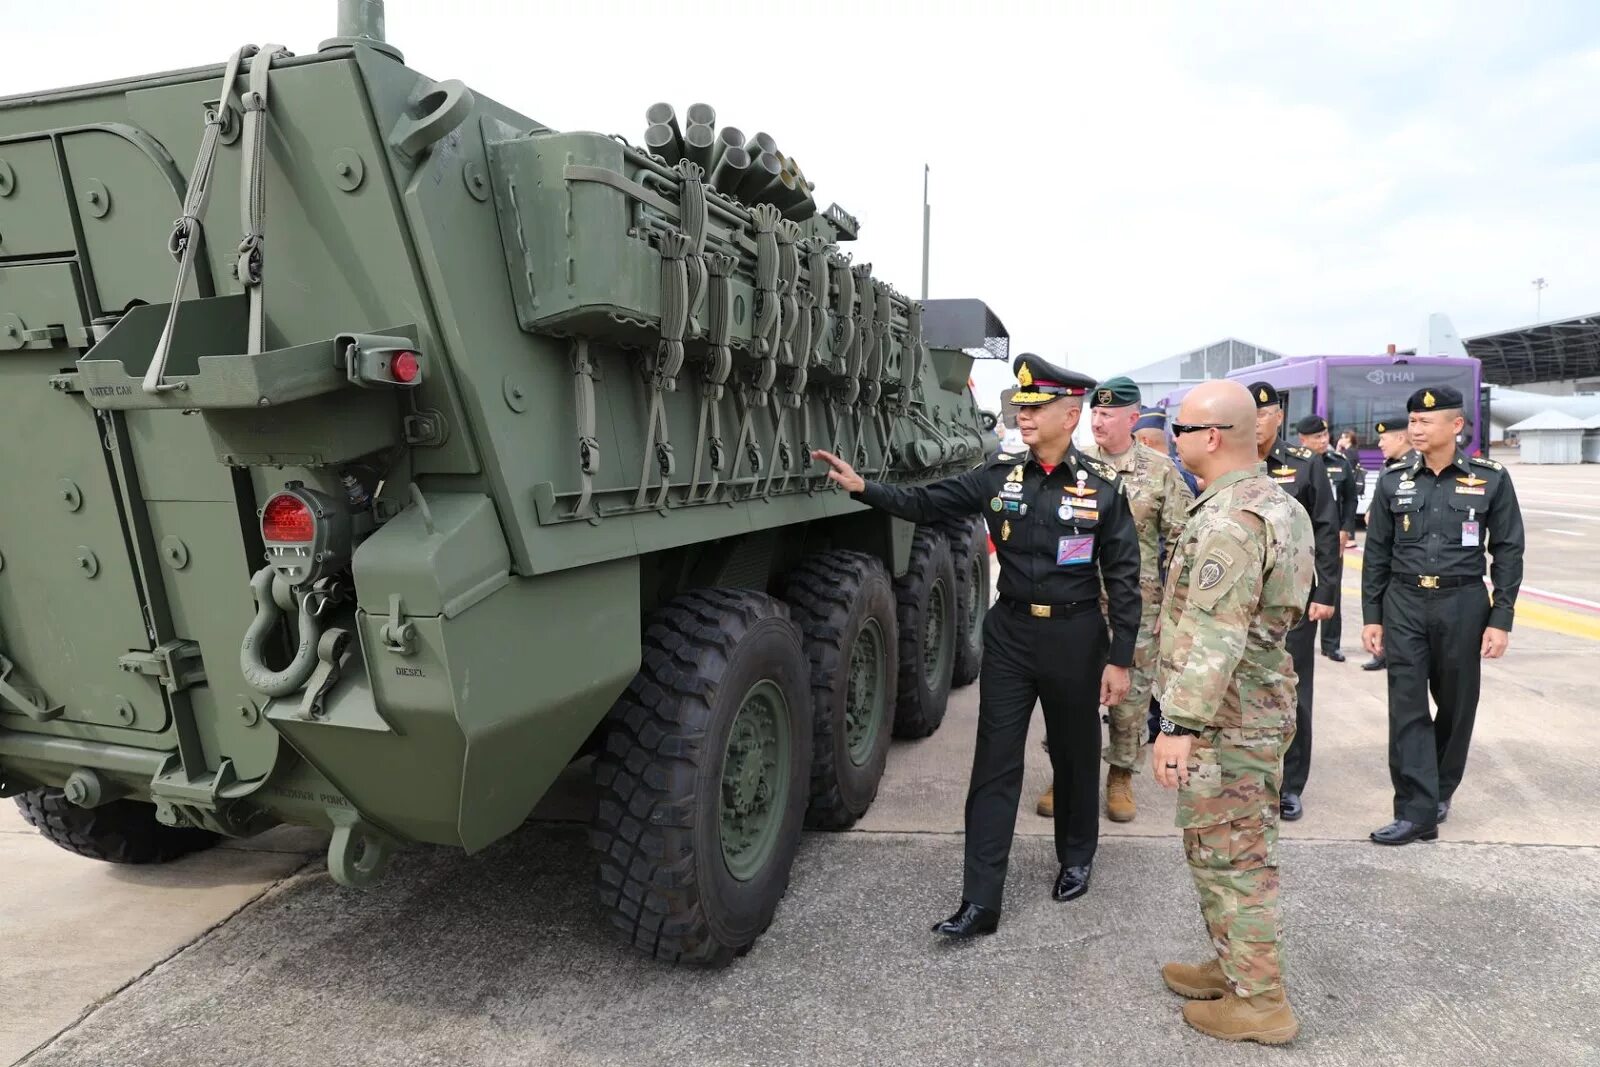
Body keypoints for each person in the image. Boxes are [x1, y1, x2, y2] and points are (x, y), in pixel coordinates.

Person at [812, 353, 1141, 936]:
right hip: (1011, 635)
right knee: (994, 763)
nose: (1024, 415)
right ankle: (981, 900)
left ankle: (1076, 857)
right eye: (1022, 406)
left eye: (1037, 407)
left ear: (1070, 415)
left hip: (1075, 635)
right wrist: (865, 488)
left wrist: (1119, 659)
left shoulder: (1103, 489)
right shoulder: (998, 477)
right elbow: (926, 502)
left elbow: (1123, 577)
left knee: (1073, 752)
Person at [1151, 380, 1314, 1044]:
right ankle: (1231, 963)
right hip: (1254, 703)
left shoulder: (1228, 519)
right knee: (1219, 846)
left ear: (1211, 437)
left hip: (1227, 716)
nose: (1174, 439)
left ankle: (1261, 1001)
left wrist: (1179, 727)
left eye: (1180, 429)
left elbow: (1218, 631)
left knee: (1234, 857)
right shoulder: (1278, 503)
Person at [1360, 386, 1524, 844]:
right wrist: (1372, 614)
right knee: (1406, 707)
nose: (1415, 429)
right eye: (1411, 421)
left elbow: (1508, 550)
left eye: (1425, 421)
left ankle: (1439, 788)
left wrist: (1501, 618)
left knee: (1456, 705)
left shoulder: (1490, 478)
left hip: (1464, 603)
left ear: (1455, 426)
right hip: (1405, 603)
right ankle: (1416, 809)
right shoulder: (1394, 480)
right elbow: (1376, 554)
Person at [1036, 377, 1192, 824]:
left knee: (1130, 699)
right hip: (1077, 602)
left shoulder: (1160, 471)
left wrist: (1172, 607)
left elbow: (1182, 542)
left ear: (1132, 417)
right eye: (1094, 414)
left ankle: (1120, 776)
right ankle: (1064, 773)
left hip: (1135, 608)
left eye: (1107, 415)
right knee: (1070, 694)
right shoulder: (1074, 466)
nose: (1097, 422)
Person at [1247, 383, 1338, 824]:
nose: (1256, 420)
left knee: (1293, 692)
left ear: (1278, 417)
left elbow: (1326, 530)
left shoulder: (1305, 465)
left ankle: (1290, 784)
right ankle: (1247, 776)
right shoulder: (1229, 461)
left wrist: (1325, 593)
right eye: (1248, 412)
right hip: (1241, 599)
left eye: (1263, 413)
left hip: (1292, 601)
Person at [1295, 415, 1359, 661]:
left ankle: (1331, 644)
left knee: (1331, 590)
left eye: (1325, 435)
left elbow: (1351, 499)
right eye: (1316, 437)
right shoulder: (1296, 465)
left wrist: (1346, 529)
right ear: (1303, 439)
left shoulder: (1339, 463)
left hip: (1331, 539)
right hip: (1303, 539)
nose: (1323, 441)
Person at [1360, 417, 1414, 671]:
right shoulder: (1391, 466)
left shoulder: (1412, 467)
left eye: (1384, 438)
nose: (1380, 443)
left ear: (1401, 438)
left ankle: (1389, 652)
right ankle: (1383, 651)